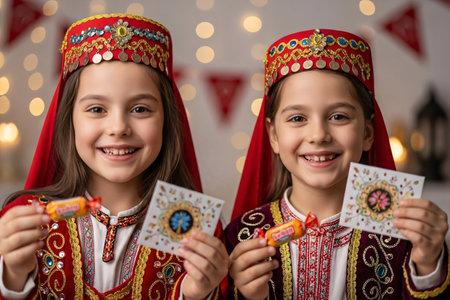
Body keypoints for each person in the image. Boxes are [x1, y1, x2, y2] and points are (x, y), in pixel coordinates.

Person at [0, 14, 228, 299]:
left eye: (140, 109)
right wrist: (13, 275)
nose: (119, 128)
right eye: (97, 109)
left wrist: (197, 293)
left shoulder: (194, 228)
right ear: (68, 119)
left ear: (168, 120)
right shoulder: (27, 218)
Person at [225, 29, 449, 299]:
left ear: (367, 133)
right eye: (297, 118)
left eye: (339, 116)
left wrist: (427, 264)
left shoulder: (402, 240)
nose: (319, 135)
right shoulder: (242, 236)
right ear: (273, 136)